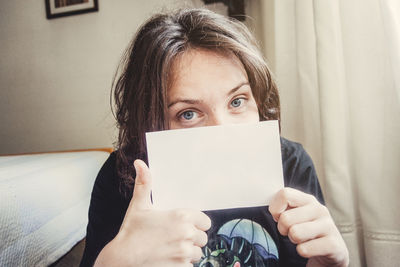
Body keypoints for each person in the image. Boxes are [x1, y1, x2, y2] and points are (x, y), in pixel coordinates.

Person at [80, 8, 349, 267]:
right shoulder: (123, 178)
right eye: (188, 114)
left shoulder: (291, 164)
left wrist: (328, 264)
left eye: (237, 101)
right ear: (151, 123)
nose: (223, 131)